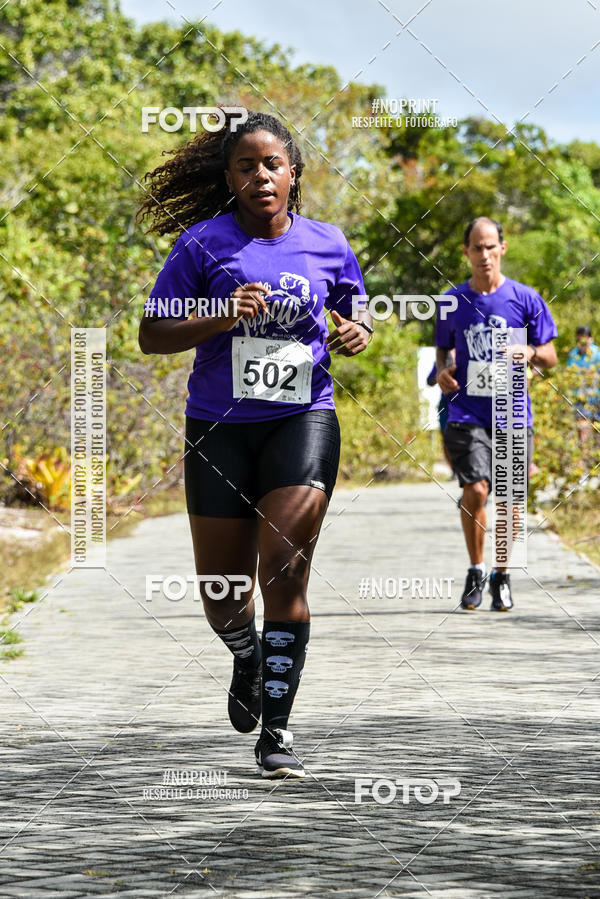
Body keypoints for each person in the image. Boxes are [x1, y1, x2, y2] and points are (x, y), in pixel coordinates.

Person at [137, 110, 372, 778]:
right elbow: (152, 334)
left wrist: (358, 334)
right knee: (222, 592)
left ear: (293, 173)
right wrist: (221, 313)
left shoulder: (328, 242)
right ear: (231, 177)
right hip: (217, 427)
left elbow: (355, 314)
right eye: (246, 165)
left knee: (286, 570)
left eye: (273, 164)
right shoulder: (200, 246)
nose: (261, 175)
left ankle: (277, 731)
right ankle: (245, 652)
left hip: (303, 419)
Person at [435, 217, 557, 611]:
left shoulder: (525, 298)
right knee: (476, 490)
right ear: (466, 252)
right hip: (467, 411)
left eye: (491, 246)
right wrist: (442, 372)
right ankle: (476, 569)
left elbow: (551, 355)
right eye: (476, 247)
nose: (484, 255)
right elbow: (443, 350)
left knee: (509, 500)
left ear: (502, 248)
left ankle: (501, 575)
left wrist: (531, 353)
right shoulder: (451, 301)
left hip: (513, 412)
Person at [566, 325, 600, 444]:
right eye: (580, 340)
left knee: (597, 429)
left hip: (596, 397)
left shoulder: (597, 353)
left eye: (585, 339)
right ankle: (583, 456)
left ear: (591, 339)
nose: (583, 343)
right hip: (580, 396)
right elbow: (568, 374)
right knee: (582, 426)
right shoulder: (573, 354)